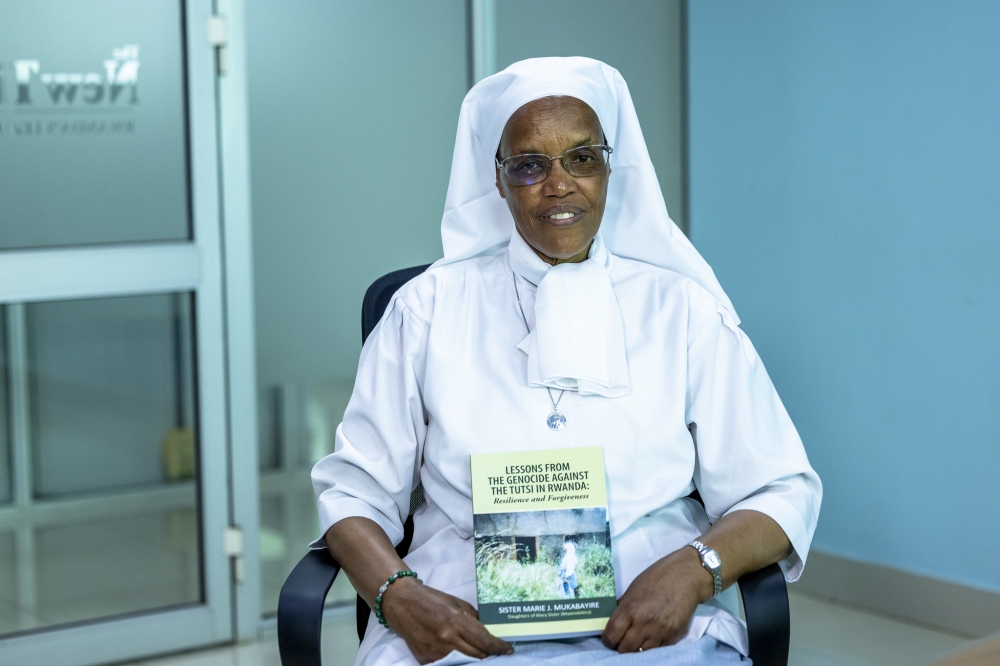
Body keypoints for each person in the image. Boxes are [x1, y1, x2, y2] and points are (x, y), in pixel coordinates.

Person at [311, 57, 822, 665]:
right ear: (496, 180)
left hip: (651, 630)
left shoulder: (682, 311)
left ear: (610, 168)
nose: (559, 185)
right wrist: (400, 597)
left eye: (583, 158)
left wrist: (693, 572)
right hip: (462, 633)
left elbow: (779, 489)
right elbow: (353, 494)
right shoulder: (425, 310)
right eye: (529, 165)